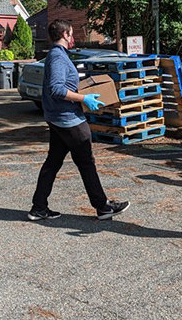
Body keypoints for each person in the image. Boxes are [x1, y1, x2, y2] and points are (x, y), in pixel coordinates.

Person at [29, 19, 130, 221]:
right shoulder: (57, 57)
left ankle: (39, 208)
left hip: (58, 119)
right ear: (65, 34)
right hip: (68, 119)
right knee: (86, 163)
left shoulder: (56, 55)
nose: (73, 38)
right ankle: (102, 207)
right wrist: (84, 98)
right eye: (72, 34)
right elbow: (56, 89)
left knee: (53, 162)